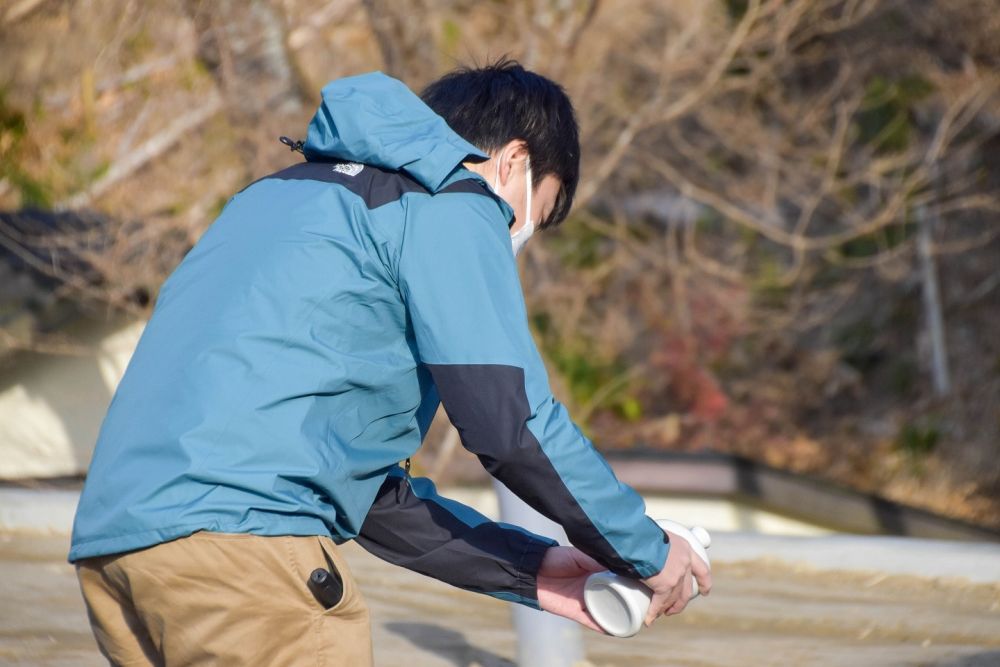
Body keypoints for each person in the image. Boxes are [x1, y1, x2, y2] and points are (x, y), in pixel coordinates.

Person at [69, 60, 711, 666]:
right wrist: (645, 549)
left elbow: (372, 497)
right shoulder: (452, 201)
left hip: (120, 550)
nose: (515, 235)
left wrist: (535, 572)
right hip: (248, 555)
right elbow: (508, 426)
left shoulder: (273, 200)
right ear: (513, 160)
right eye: (531, 215)